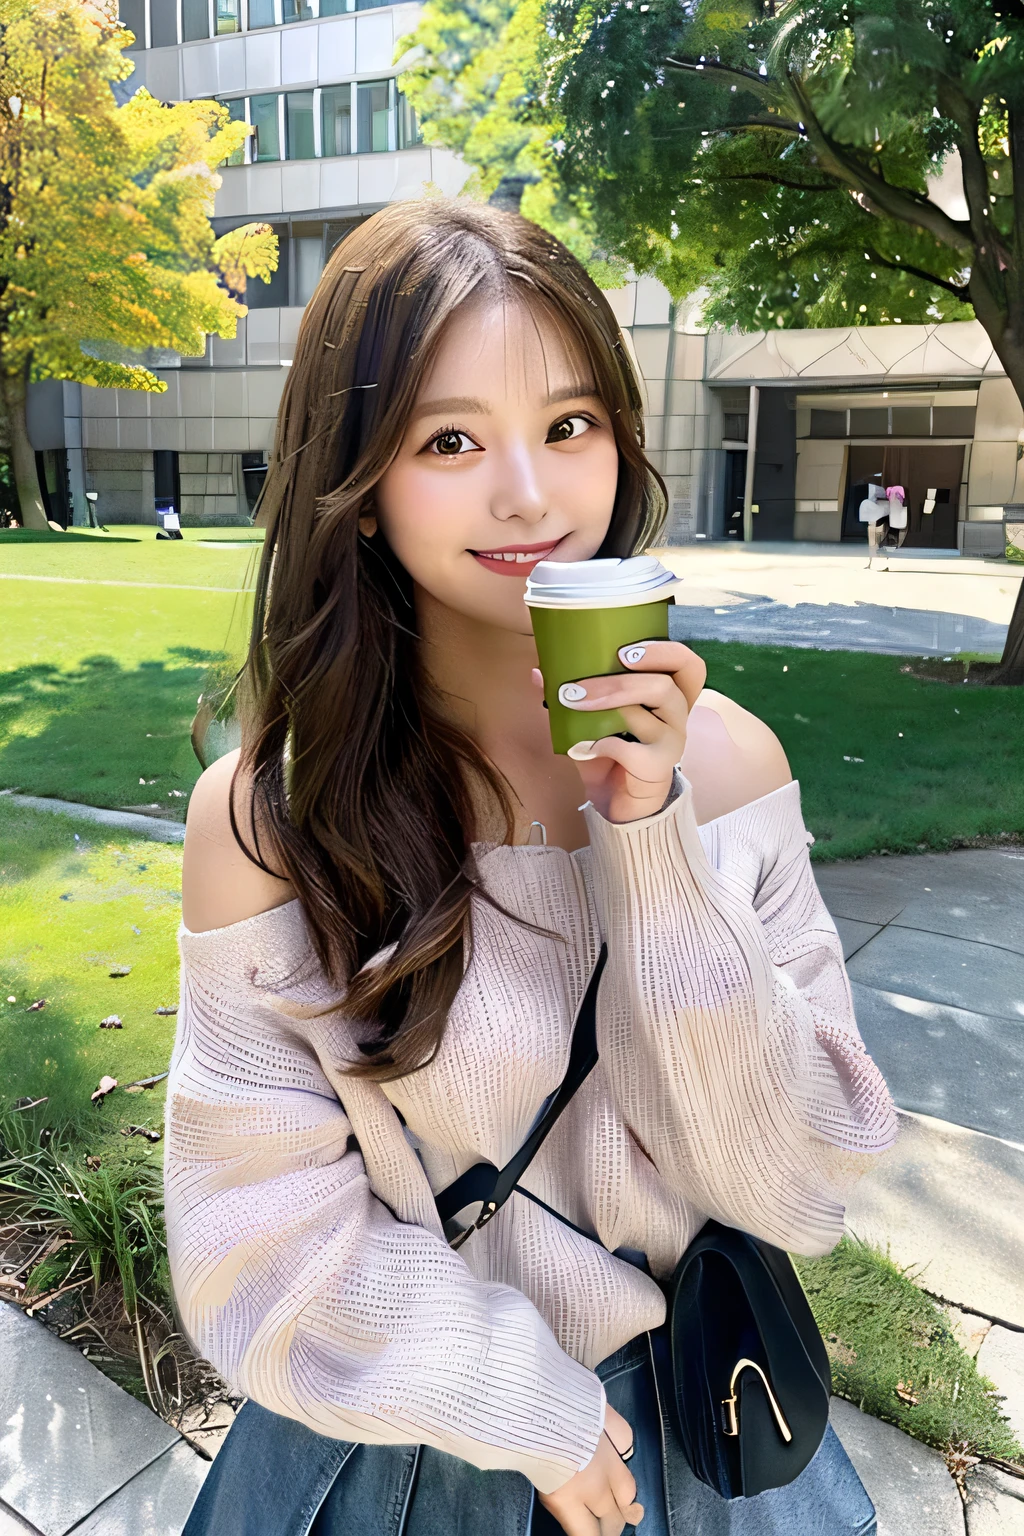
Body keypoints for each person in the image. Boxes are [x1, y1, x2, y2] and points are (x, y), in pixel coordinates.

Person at [167, 198, 896, 1536]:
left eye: (569, 426)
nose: (529, 493)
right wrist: (527, 1406)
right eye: (451, 440)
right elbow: (253, 1239)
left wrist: (652, 840)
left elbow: (798, 1175)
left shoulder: (729, 768)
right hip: (411, 1459)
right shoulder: (276, 821)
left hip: (711, 1425)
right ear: (361, 489)